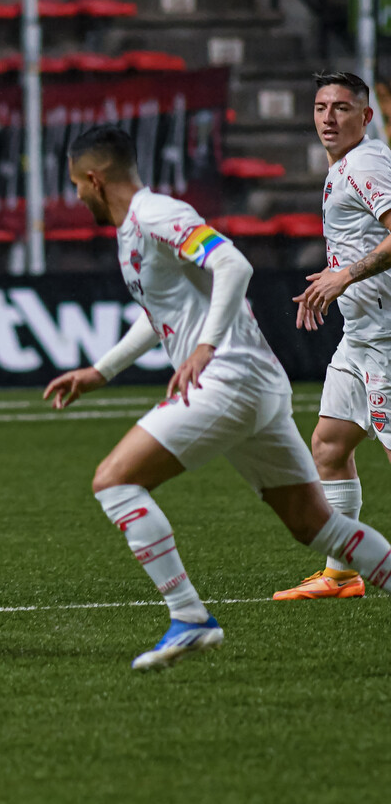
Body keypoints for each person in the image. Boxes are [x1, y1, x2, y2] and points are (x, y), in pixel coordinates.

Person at [43, 125, 391, 671]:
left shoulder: (156, 214)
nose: (78, 196)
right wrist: (100, 371)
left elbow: (233, 264)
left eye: (76, 186)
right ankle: (193, 618)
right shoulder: (137, 225)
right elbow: (163, 314)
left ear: (94, 178)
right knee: (314, 525)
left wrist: (205, 348)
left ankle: (189, 616)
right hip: (255, 384)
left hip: (229, 377)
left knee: (114, 480)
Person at [274, 71, 391, 601]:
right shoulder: (343, 168)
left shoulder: (366, 163)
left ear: (365, 117)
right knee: (328, 444)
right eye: (321, 107)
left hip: (387, 340)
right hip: (361, 334)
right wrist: (333, 281)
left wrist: (345, 276)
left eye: (342, 108)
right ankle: (343, 573)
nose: (328, 118)